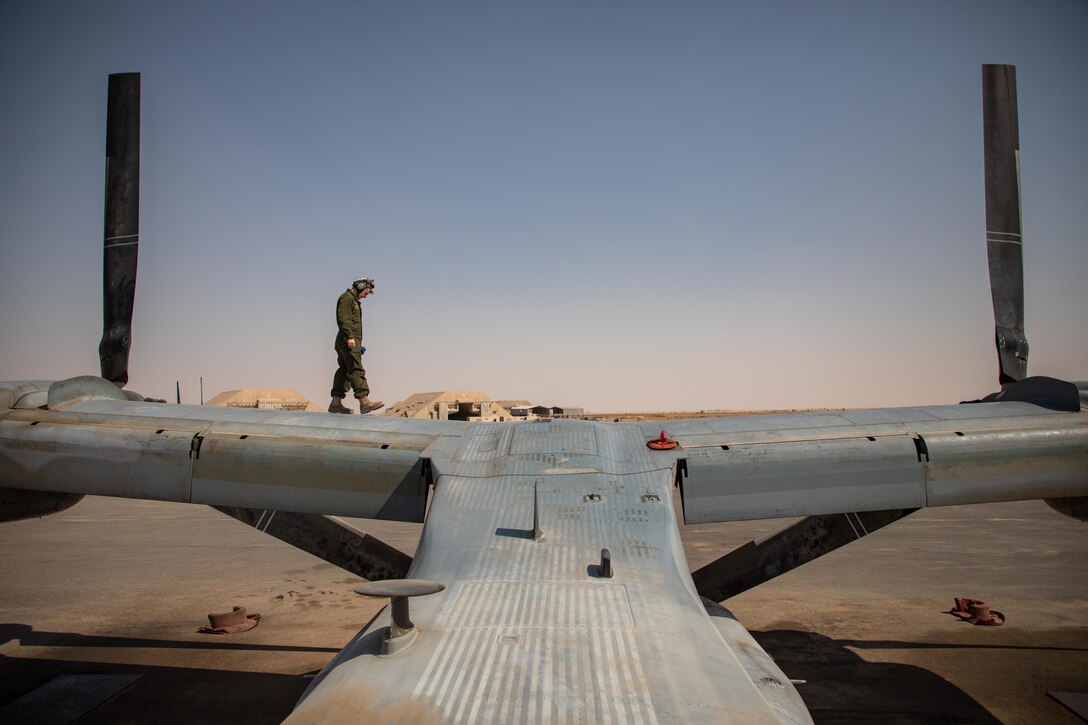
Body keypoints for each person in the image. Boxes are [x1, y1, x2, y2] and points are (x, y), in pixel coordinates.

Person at [329, 277, 384, 414]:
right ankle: (364, 402)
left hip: (349, 340)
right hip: (347, 340)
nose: (365, 296)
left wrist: (358, 343)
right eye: (365, 293)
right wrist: (350, 337)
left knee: (344, 370)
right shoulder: (347, 298)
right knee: (355, 368)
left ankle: (335, 403)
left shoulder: (353, 300)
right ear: (359, 287)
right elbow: (343, 319)